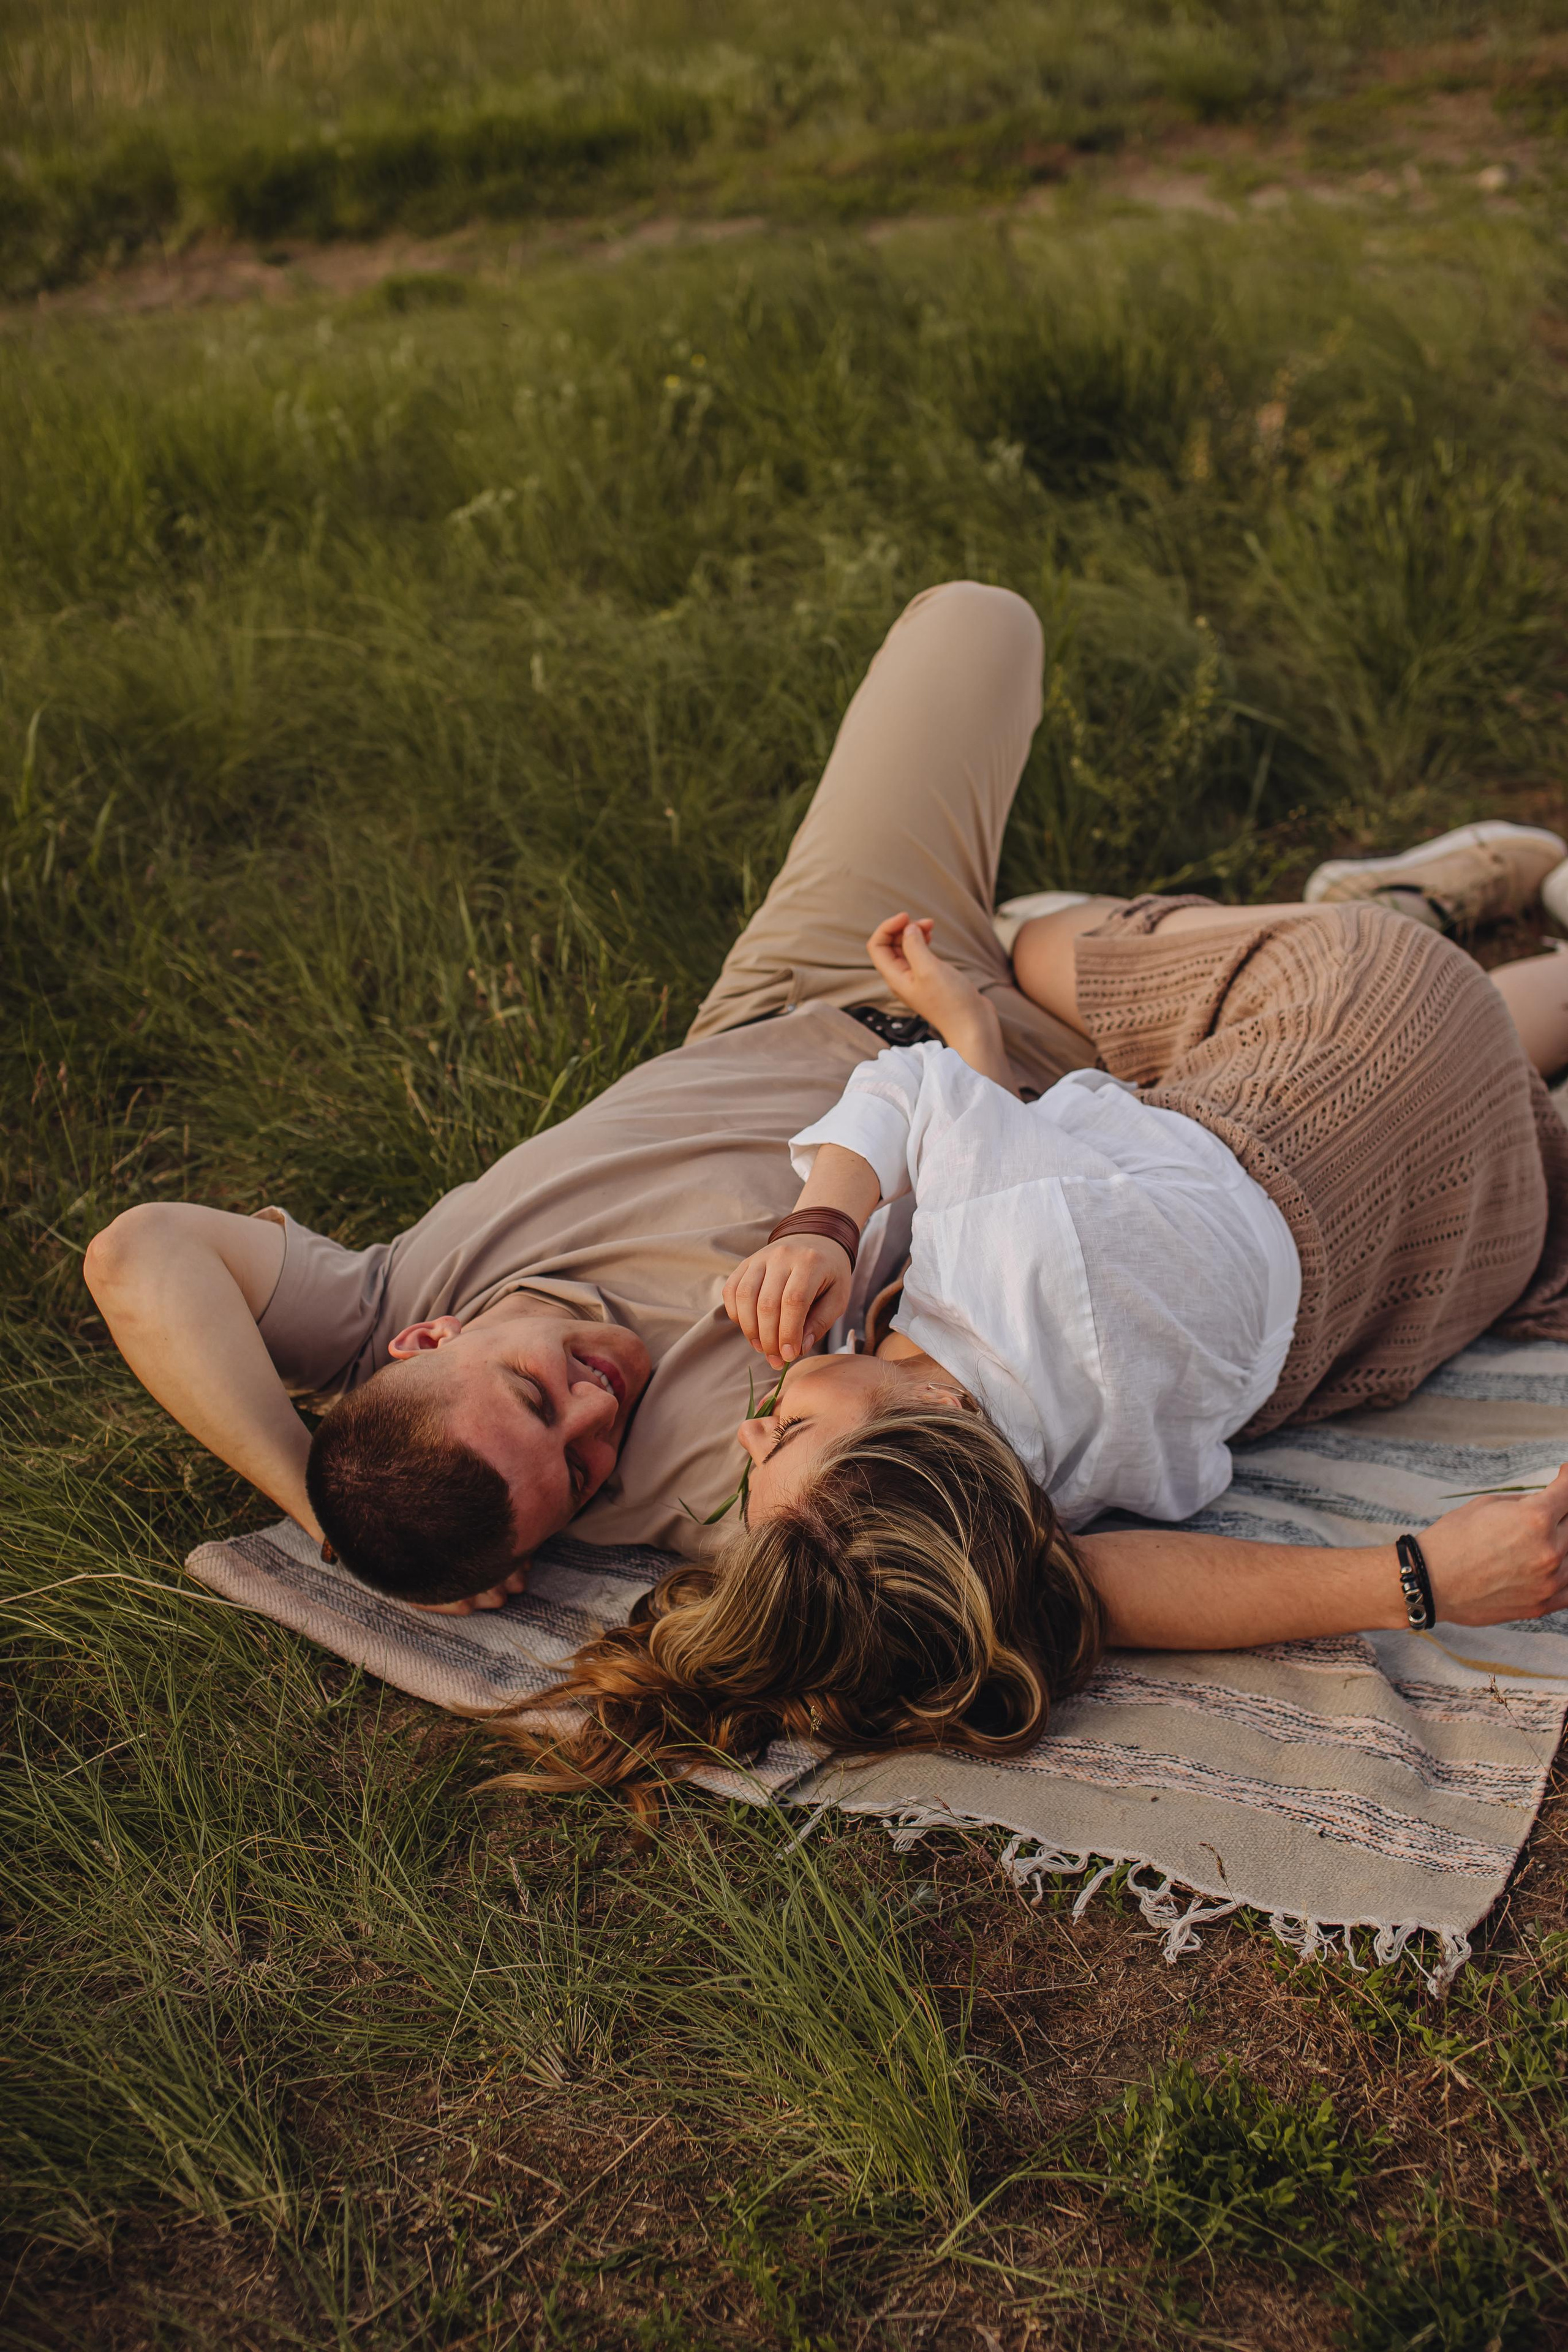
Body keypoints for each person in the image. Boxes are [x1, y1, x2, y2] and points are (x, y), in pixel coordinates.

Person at [82, 584, 1568, 1658]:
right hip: (1049, 1095)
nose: (599, 1409)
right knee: (1416, 1111)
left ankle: (1320, 926)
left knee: (975, 625)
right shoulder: (729, 1487)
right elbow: (1045, 1581)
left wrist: (320, 1515)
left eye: (538, 1397)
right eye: (578, 1473)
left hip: (811, 983)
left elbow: (141, 1256)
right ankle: (1375, 921)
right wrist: (1408, 1580)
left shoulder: (378, 1303)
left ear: (423, 1346)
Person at [481, 873, 1568, 1809]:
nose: (750, 1434)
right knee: (1034, 944)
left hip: (1464, 1229)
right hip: (1357, 1024)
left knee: (1481, 1053)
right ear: (941, 1416)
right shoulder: (1007, 1246)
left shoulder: (1028, 1507)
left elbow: (1093, 1559)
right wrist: (821, 1224)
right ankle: (1403, 893)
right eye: (791, 1435)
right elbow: (914, 1091)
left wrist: (1424, 1576)